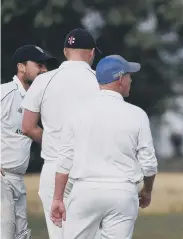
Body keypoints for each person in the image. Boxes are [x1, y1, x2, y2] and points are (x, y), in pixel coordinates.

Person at [49, 55, 158, 238]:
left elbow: (65, 160)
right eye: (129, 76)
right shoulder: (137, 114)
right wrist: (147, 190)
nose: (131, 80)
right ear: (120, 79)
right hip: (122, 192)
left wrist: (58, 198)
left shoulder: (77, 112)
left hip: (85, 191)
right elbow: (149, 164)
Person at [21, 28, 101, 239]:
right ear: (92, 53)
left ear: (66, 51)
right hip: (91, 169)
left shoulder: (43, 81)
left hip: (54, 167)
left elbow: (28, 126)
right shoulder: (100, 81)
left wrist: (53, 142)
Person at [1, 45, 55, 239]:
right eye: (39, 65)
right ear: (21, 67)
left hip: (17, 178)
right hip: (2, 177)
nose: (44, 71)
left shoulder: (36, 100)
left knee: (21, 235)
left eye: (45, 66)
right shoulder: (5, 93)